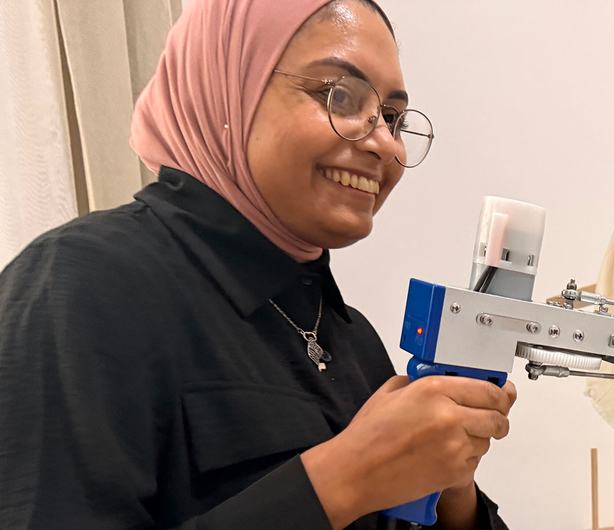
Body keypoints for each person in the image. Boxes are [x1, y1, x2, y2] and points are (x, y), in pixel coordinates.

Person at [0, 0, 516, 528]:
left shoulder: (349, 335)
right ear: (227, 88)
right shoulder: (81, 286)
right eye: (338, 95)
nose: (385, 143)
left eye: (391, 117)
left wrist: (452, 489)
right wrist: (343, 479)